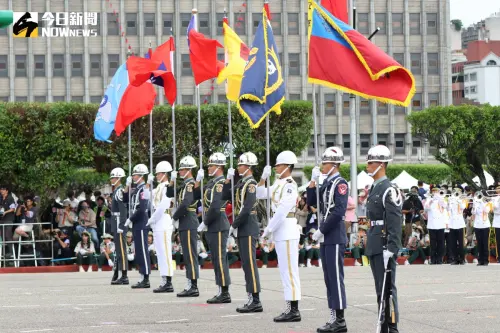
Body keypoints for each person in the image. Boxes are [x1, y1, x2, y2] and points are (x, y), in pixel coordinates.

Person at [307, 147, 349, 333]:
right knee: (328, 278)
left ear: (334, 165)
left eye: (325, 163)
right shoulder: (327, 183)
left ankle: (340, 320)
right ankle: (333, 316)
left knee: (335, 278)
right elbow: (311, 202)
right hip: (326, 236)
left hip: (333, 235)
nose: (322, 166)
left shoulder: (340, 184)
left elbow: (338, 211)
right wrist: (313, 182)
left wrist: (321, 230)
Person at [257, 151, 301, 323]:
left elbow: (282, 211)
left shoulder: (290, 185)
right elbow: (260, 194)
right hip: (280, 232)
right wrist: (263, 177)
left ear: (288, 167)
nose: (276, 168)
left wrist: (268, 229)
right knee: (284, 271)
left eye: (279, 165)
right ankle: (290, 307)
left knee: (290, 271)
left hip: (288, 230)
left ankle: (294, 309)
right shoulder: (278, 183)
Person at [365, 145, 402, 333]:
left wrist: (392, 248)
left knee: (387, 289)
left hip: (383, 244)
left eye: (371, 162)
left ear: (381, 164)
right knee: (380, 288)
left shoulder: (389, 189)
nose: (368, 165)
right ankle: (384, 325)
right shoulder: (375, 187)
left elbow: (395, 222)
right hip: (374, 242)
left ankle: (392, 326)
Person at [225, 152, 263, 313]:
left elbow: (247, 208)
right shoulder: (241, 183)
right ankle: (251, 298)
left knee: (250, 264)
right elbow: (226, 195)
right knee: (246, 264)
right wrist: (228, 179)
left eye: (240, 165)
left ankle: (255, 300)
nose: (238, 167)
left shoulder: (251, 184)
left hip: (248, 227)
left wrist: (234, 224)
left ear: (248, 167)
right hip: (243, 227)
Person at [198, 152, 232, 304]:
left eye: (211, 165)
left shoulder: (220, 184)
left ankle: (224, 292)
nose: (209, 168)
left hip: (217, 223)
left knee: (219, 259)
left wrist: (205, 221)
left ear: (219, 166)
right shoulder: (212, 183)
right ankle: (221, 289)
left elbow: (216, 206)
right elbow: (197, 196)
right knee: (216, 259)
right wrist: (198, 181)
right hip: (213, 224)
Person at [169, 156, 202, 297]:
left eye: (182, 169)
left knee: (190, 255)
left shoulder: (190, 185)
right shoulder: (185, 184)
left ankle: (193, 286)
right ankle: (190, 283)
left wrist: (175, 216)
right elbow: (169, 193)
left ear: (188, 170)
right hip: (185, 221)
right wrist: (172, 180)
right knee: (187, 254)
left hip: (188, 220)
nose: (180, 171)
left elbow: (186, 203)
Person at [147, 161, 176, 293]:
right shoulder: (158, 187)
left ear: (164, 174)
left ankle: (168, 281)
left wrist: (152, 219)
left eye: (158, 173)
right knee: (160, 252)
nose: (157, 175)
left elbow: (163, 205)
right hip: (158, 222)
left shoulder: (167, 187)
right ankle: (164, 279)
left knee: (165, 252)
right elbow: (145, 196)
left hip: (163, 220)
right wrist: (148, 182)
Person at [123, 163, 151, 288]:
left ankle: (146, 277)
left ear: (141, 176)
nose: (133, 177)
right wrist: (127, 185)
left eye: (135, 175)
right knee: (138, 251)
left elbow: (142, 208)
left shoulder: (144, 189)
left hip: (141, 221)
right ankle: (142, 276)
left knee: (143, 251)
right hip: (136, 222)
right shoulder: (135, 189)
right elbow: (124, 199)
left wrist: (130, 219)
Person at [109, 167, 129, 285]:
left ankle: (124, 276)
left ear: (118, 178)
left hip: (119, 223)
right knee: (118, 250)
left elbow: (123, 211)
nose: (111, 179)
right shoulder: (116, 191)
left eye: (113, 177)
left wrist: (121, 225)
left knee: (122, 250)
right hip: (115, 222)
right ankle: (117, 273)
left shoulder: (120, 191)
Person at [424, 187, 447, 264]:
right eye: (434, 191)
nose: (435, 193)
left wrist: (440, 199)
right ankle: (433, 259)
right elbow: (426, 208)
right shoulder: (429, 199)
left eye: (436, 191)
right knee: (433, 243)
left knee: (441, 243)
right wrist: (431, 200)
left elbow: (445, 206)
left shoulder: (442, 199)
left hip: (440, 224)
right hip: (432, 225)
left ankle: (439, 258)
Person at [448, 189, 467, 265]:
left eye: (458, 192)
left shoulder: (463, 200)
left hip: (460, 224)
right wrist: (450, 201)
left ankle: (462, 259)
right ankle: (455, 259)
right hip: (452, 224)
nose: (456, 194)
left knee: (461, 243)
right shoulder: (451, 200)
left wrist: (458, 200)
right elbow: (448, 209)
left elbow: (463, 207)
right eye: (455, 193)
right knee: (453, 243)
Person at [472, 193, 491, 266]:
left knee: (485, 243)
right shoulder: (476, 203)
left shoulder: (487, 203)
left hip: (485, 225)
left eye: (481, 196)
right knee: (479, 243)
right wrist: (474, 204)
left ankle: (486, 260)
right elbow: (473, 212)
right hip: (477, 225)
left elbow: (486, 211)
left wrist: (482, 202)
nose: (480, 197)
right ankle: (480, 260)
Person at [493, 186, 500, 263]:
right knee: (498, 241)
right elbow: (494, 209)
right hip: (497, 222)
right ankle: (499, 257)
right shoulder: (494, 199)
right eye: (498, 188)